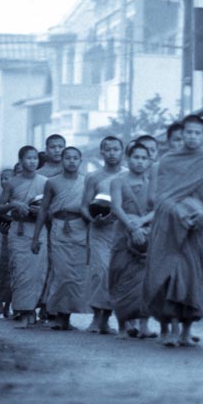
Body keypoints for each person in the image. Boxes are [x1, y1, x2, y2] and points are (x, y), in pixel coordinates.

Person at [144, 114, 203, 347]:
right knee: (167, 274)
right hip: (169, 226)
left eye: (196, 133)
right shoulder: (168, 161)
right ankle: (168, 328)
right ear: (183, 134)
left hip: (198, 228)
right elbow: (159, 196)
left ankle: (185, 331)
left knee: (191, 278)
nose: (191, 137)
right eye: (187, 132)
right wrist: (177, 211)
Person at [31, 146, 88, 331]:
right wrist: (36, 236)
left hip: (80, 228)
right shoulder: (52, 182)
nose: (71, 161)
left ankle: (67, 316)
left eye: (75, 158)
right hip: (58, 228)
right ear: (62, 160)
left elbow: (90, 209)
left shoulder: (86, 182)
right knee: (61, 273)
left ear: (80, 161)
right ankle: (55, 314)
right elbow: (43, 209)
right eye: (68, 158)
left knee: (75, 276)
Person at [0, 146, 48, 328]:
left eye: (35, 158)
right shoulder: (12, 183)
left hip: (38, 230)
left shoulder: (44, 182)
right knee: (20, 271)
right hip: (18, 231)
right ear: (20, 161)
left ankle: (32, 309)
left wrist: (40, 211)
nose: (32, 161)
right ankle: (22, 310)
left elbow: (49, 209)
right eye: (28, 158)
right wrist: (14, 205)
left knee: (37, 273)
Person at [108, 143, 157, 339]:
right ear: (128, 159)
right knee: (120, 277)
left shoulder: (152, 182)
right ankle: (122, 325)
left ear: (149, 161)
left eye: (144, 158)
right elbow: (116, 208)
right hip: (122, 233)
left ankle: (144, 325)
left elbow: (159, 208)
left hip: (147, 233)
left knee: (146, 281)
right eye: (136, 157)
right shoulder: (118, 181)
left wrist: (142, 223)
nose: (140, 161)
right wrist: (131, 227)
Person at [81, 136, 126, 334]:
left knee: (115, 275)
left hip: (121, 231)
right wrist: (93, 220)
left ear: (122, 151)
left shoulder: (128, 175)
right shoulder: (94, 177)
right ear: (102, 152)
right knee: (100, 272)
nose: (112, 153)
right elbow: (83, 206)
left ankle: (106, 319)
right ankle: (95, 317)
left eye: (116, 149)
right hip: (99, 231)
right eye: (108, 149)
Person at [36, 134, 67, 320]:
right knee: (46, 264)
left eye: (60, 146)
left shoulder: (71, 168)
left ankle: (56, 305)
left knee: (62, 265)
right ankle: (43, 303)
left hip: (67, 224)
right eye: (53, 147)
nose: (57, 150)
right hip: (45, 224)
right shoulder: (41, 174)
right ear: (46, 150)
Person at [0, 169, 14, 318]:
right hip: (0, 236)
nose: (4, 181)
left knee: (12, 271)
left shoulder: (20, 198)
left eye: (8, 178)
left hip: (15, 235)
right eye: (2, 178)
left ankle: (8, 307)